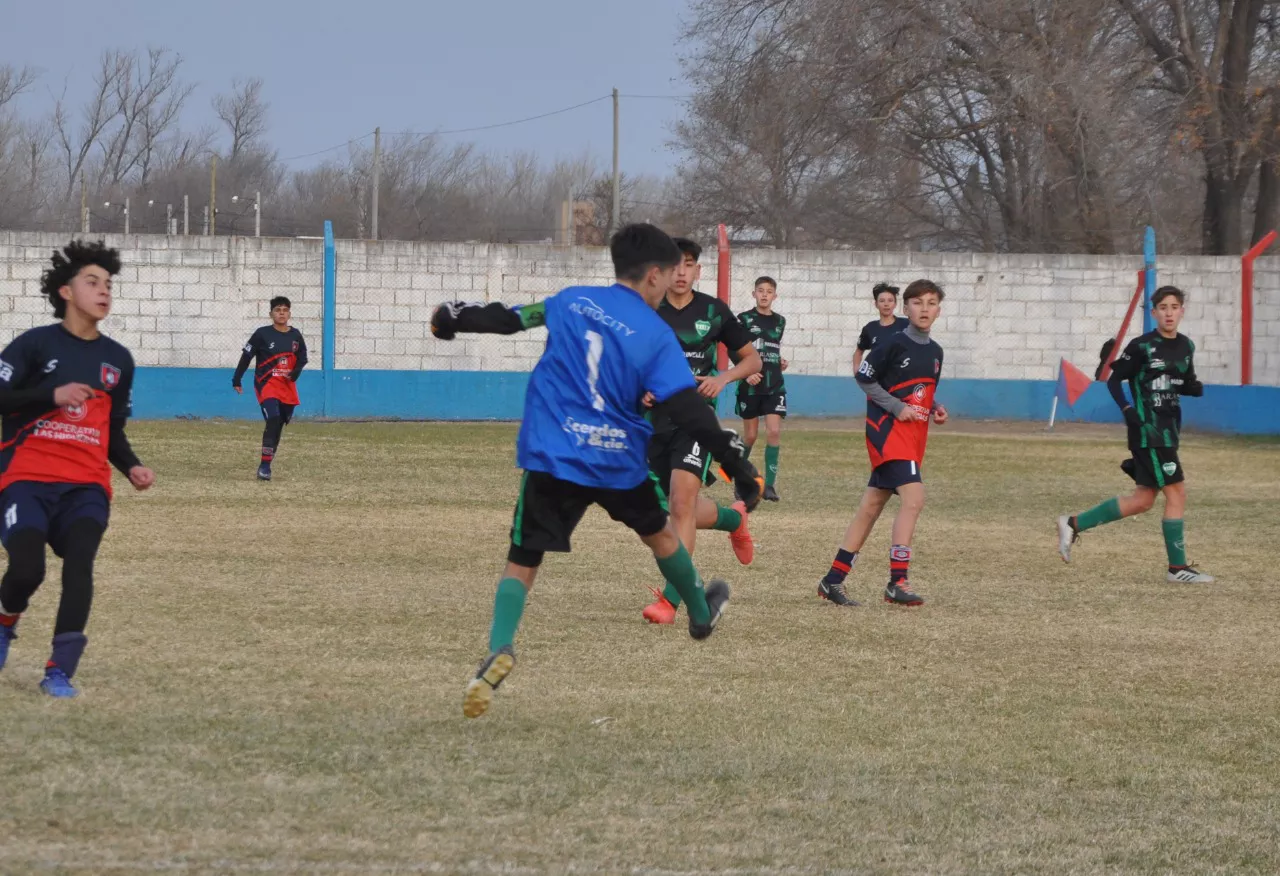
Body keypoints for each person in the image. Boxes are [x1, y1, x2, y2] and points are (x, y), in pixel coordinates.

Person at [429, 223, 763, 719]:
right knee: (660, 533)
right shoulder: (655, 334)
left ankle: (500, 647)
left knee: (523, 556)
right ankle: (698, 613)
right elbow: (691, 409)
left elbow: (510, 318)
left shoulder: (571, 300)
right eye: (670, 273)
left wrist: (451, 318)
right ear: (653, 277)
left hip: (554, 449)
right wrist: (737, 464)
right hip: (615, 457)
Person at [0, 240, 156, 697]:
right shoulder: (33, 344)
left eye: (108, 284)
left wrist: (132, 467)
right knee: (27, 570)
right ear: (66, 291)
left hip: (86, 486)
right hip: (25, 480)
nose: (104, 291)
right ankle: (5, 622)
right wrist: (52, 394)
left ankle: (59, 671)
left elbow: (113, 431)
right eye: (92, 282)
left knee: (80, 565)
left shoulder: (118, 360)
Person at [640, 237, 762, 625]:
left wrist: (722, 379)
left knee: (680, 503)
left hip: (696, 421)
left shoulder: (714, 310)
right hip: (654, 423)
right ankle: (733, 519)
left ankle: (671, 601)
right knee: (672, 511)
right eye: (673, 265)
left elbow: (752, 358)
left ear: (697, 270)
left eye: (688, 264)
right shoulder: (647, 310)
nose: (680, 272)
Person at [1057, 286, 1213, 583]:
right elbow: (1114, 381)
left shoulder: (1187, 346)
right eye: (1163, 307)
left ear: (1182, 311)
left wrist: (1192, 387)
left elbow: (1182, 380)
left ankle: (1073, 523)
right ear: (1154, 313)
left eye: (1174, 306)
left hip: (1169, 430)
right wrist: (1128, 409)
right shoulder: (1142, 346)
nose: (1169, 312)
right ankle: (1177, 569)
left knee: (1142, 500)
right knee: (1177, 491)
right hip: (1148, 430)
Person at [818, 279, 947, 607]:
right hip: (888, 433)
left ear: (939, 311)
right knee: (914, 499)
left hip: (913, 438)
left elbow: (920, 390)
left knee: (871, 507)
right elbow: (864, 377)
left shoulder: (935, 352)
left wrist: (934, 407)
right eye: (917, 303)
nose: (924, 309)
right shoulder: (892, 343)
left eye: (931, 303)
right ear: (906, 309)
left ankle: (833, 580)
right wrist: (896, 408)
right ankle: (897, 581)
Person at [232, 296, 307, 481]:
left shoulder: (295, 335)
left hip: (287, 386)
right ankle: (264, 466)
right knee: (272, 418)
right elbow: (246, 356)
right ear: (271, 314)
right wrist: (237, 378)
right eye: (277, 310)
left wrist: (295, 373)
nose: (281, 313)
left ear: (289, 313)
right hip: (267, 384)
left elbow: (303, 358)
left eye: (285, 310)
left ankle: (268, 461)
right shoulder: (262, 334)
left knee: (279, 423)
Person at [736, 276, 788, 501]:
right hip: (751, 384)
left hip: (774, 384)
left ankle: (769, 486)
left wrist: (780, 361)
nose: (764, 295)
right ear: (754, 294)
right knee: (750, 436)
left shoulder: (780, 321)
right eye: (760, 290)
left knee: (774, 432)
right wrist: (747, 372)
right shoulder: (744, 319)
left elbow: (771, 348)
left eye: (769, 291)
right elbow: (736, 349)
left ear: (775, 296)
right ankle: (739, 479)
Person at [853, 282, 909, 375]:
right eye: (882, 301)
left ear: (895, 304)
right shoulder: (870, 328)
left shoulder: (906, 325)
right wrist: (857, 372)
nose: (886, 304)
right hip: (878, 381)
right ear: (876, 304)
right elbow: (858, 352)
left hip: (902, 379)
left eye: (890, 300)